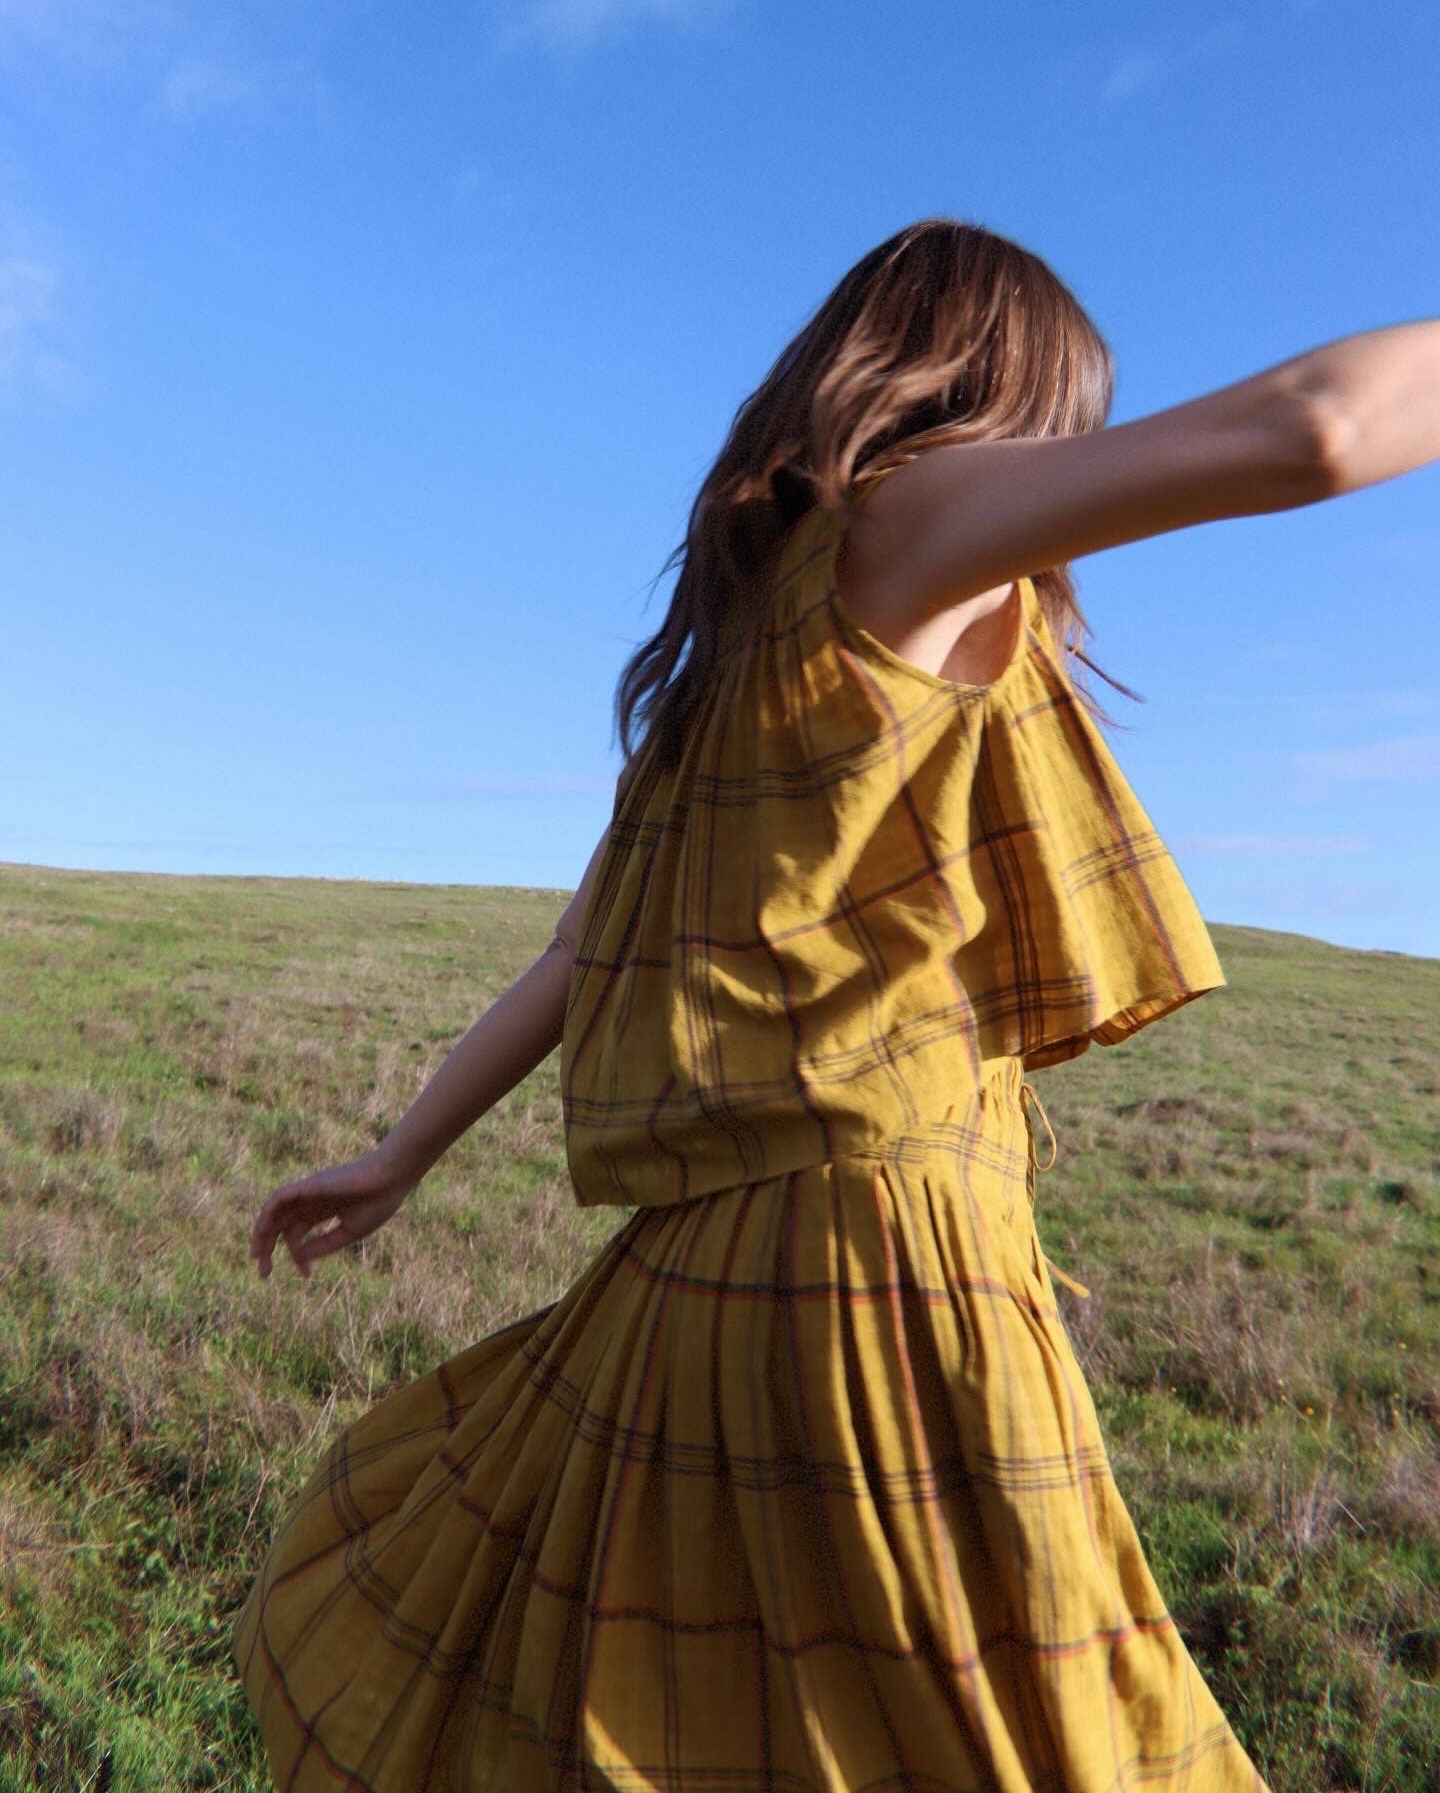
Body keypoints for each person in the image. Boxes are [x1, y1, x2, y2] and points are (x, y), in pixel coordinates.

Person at [232, 219, 1439, 1790]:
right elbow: (1318, 430)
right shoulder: (911, 524)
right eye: (1061, 418)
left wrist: (401, 1156)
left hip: (696, 1280)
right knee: (1033, 1742)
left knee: (714, 1724)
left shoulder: (736, 655)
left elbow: (570, 963)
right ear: (993, 387)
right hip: (883, 1269)